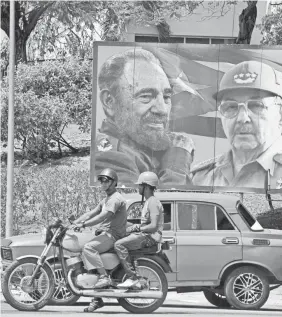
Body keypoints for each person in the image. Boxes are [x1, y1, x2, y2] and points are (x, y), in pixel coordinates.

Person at [95, 48, 195, 187]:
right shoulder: (109, 156)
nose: (162, 110)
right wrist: (177, 160)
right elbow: (146, 205)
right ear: (109, 102)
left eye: (166, 97)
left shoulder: (143, 145)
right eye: (146, 96)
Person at [192, 60, 282, 189]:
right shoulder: (202, 177)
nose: (242, 118)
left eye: (256, 105)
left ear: (280, 114)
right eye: (230, 107)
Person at [73, 168, 127, 312]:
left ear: (114, 182)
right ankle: (97, 298)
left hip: (113, 235)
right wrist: (75, 222)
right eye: (101, 180)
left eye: (106, 180)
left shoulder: (115, 198)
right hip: (107, 233)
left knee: (89, 248)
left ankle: (104, 277)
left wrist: (84, 224)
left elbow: (103, 216)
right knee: (86, 254)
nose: (103, 183)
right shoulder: (106, 199)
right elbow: (92, 212)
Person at [114, 171, 164, 288]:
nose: (138, 187)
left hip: (150, 237)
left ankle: (132, 277)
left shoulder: (153, 202)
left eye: (140, 185)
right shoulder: (148, 201)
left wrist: (137, 227)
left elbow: (153, 226)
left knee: (119, 245)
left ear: (146, 186)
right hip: (146, 235)